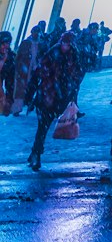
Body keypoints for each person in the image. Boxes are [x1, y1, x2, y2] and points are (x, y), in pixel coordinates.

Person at [28, 31, 83, 170]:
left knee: (44, 127)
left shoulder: (73, 55)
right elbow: (38, 73)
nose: (66, 46)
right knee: (43, 127)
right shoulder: (53, 53)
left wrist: (70, 92)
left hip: (60, 97)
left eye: (68, 44)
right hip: (47, 96)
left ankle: (35, 153)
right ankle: (36, 154)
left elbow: (77, 74)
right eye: (65, 43)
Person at [0, 32, 15, 113]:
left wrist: (8, 100)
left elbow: (10, 81)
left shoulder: (11, 57)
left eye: (8, 43)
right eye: (3, 43)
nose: (6, 46)